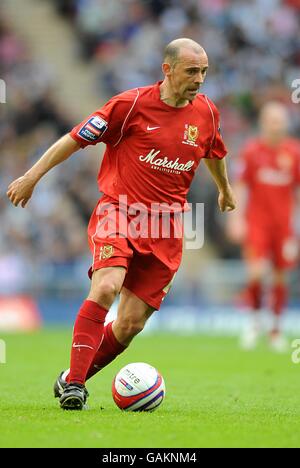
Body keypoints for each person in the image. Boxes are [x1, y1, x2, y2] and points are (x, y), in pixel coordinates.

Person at [7, 38, 236, 410]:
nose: (200, 79)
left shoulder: (207, 113)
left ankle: (71, 377)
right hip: (120, 212)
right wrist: (32, 176)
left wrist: (224, 189)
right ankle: (77, 388)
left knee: (130, 325)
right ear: (167, 69)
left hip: (166, 227)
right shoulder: (130, 105)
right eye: (192, 71)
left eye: (204, 71)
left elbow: (215, 150)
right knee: (107, 286)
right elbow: (73, 138)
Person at [227, 102, 300, 352]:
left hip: (284, 226)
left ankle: (276, 329)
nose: (275, 125)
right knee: (256, 273)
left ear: (285, 123)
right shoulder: (251, 151)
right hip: (257, 223)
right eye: (271, 120)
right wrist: (236, 219)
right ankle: (254, 322)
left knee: (281, 276)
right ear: (263, 122)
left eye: (280, 121)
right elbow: (241, 186)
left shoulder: (294, 152)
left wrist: (295, 228)